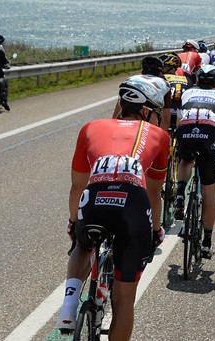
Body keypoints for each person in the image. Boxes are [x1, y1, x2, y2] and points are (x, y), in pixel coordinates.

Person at [56, 78, 169, 338]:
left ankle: (69, 303)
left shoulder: (90, 127)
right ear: (145, 110)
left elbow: (77, 186)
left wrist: (74, 223)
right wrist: (155, 231)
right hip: (132, 204)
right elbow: (153, 192)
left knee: (83, 244)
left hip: (93, 198)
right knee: (124, 299)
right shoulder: (160, 135)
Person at [173, 64, 215, 258]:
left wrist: (179, 146)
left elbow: (178, 122)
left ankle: (181, 191)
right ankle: (207, 241)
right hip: (208, 137)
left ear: (198, 80)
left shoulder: (188, 93)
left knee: (185, 160)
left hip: (185, 131)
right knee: (209, 194)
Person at [111, 56, 171, 131]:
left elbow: (118, 108)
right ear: (160, 73)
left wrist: (113, 127)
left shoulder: (131, 79)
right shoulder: (165, 83)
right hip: (148, 112)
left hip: (126, 110)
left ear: (142, 71)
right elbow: (166, 118)